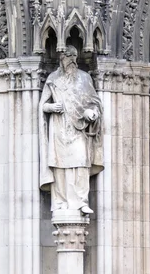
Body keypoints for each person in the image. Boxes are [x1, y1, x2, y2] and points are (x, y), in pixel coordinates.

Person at [39, 46, 103, 214]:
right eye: (68, 56)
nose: (72, 59)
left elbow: (95, 102)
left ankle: (81, 201)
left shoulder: (84, 78)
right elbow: (42, 106)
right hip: (59, 129)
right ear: (61, 59)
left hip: (79, 128)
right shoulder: (53, 79)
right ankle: (60, 202)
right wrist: (52, 107)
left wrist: (93, 113)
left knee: (82, 162)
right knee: (59, 165)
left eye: (74, 56)